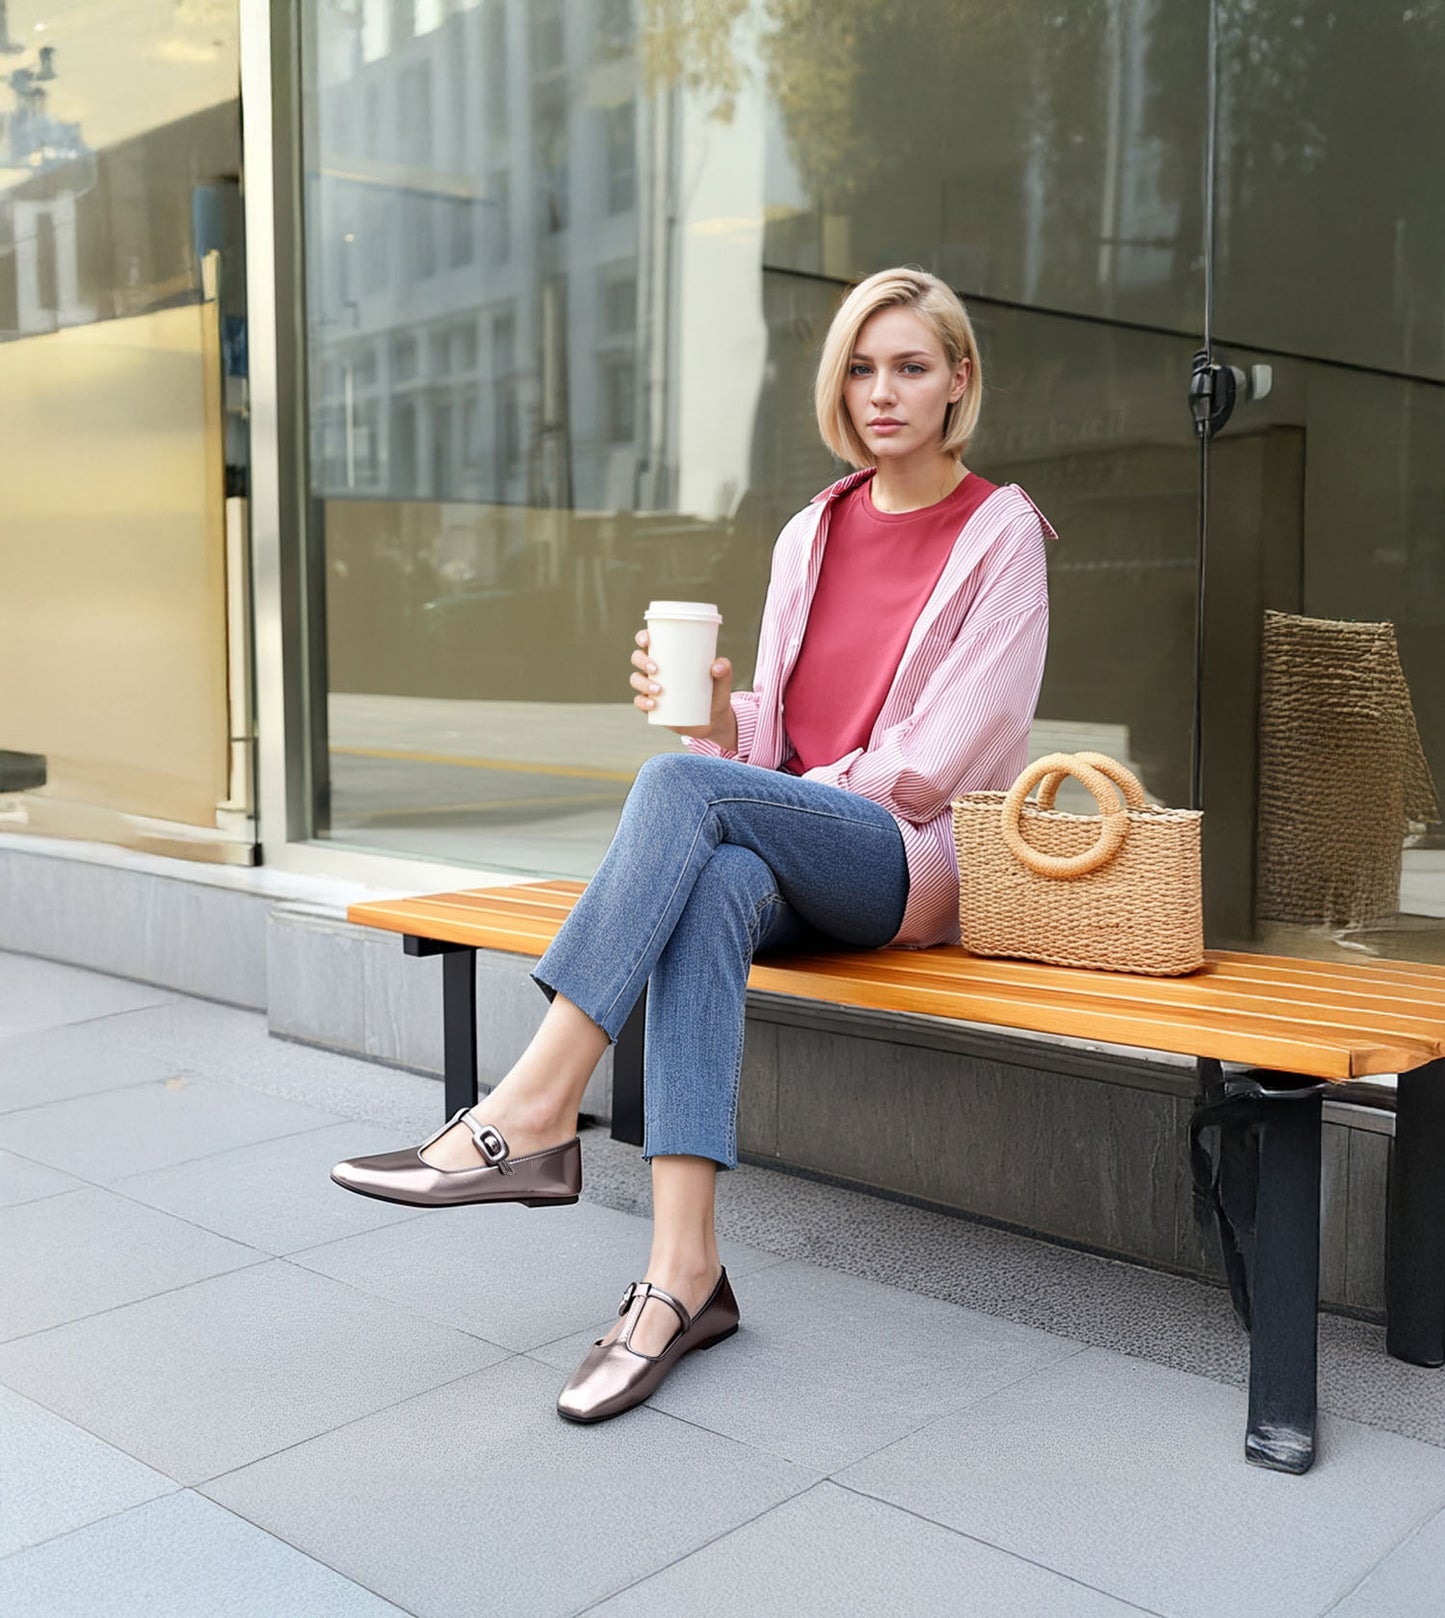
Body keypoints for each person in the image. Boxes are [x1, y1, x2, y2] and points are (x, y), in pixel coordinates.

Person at [332, 266, 1055, 1424]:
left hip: (901, 862)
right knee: (709, 868)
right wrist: (723, 721)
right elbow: (765, 734)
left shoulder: (1001, 531)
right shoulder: (810, 529)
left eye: (910, 367)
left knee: (686, 789)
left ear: (958, 380)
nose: (883, 393)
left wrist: (750, 779)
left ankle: (527, 1114)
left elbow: (945, 754)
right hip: (783, 846)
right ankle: (684, 1276)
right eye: (861, 370)